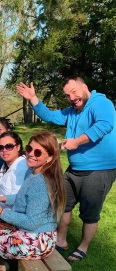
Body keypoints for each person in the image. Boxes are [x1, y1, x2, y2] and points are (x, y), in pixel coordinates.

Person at [16, 76, 116, 261]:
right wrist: (33, 98)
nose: (71, 97)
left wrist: (76, 142)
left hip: (99, 169)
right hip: (75, 168)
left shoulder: (101, 103)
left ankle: (83, 247)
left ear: (84, 87)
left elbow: (105, 125)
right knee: (63, 204)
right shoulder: (72, 111)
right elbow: (51, 116)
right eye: (68, 95)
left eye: (74, 92)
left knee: (89, 212)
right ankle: (60, 240)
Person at [0, 131, 66, 271]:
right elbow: (23, 199)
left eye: (38, 152)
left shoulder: (40, 182)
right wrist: (2, 199)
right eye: (29, 149)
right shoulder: (36, 174)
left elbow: (31, 223)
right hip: (36, 236)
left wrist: (0, 211)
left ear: (50, 157)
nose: (31, 154)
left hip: (36, 241)